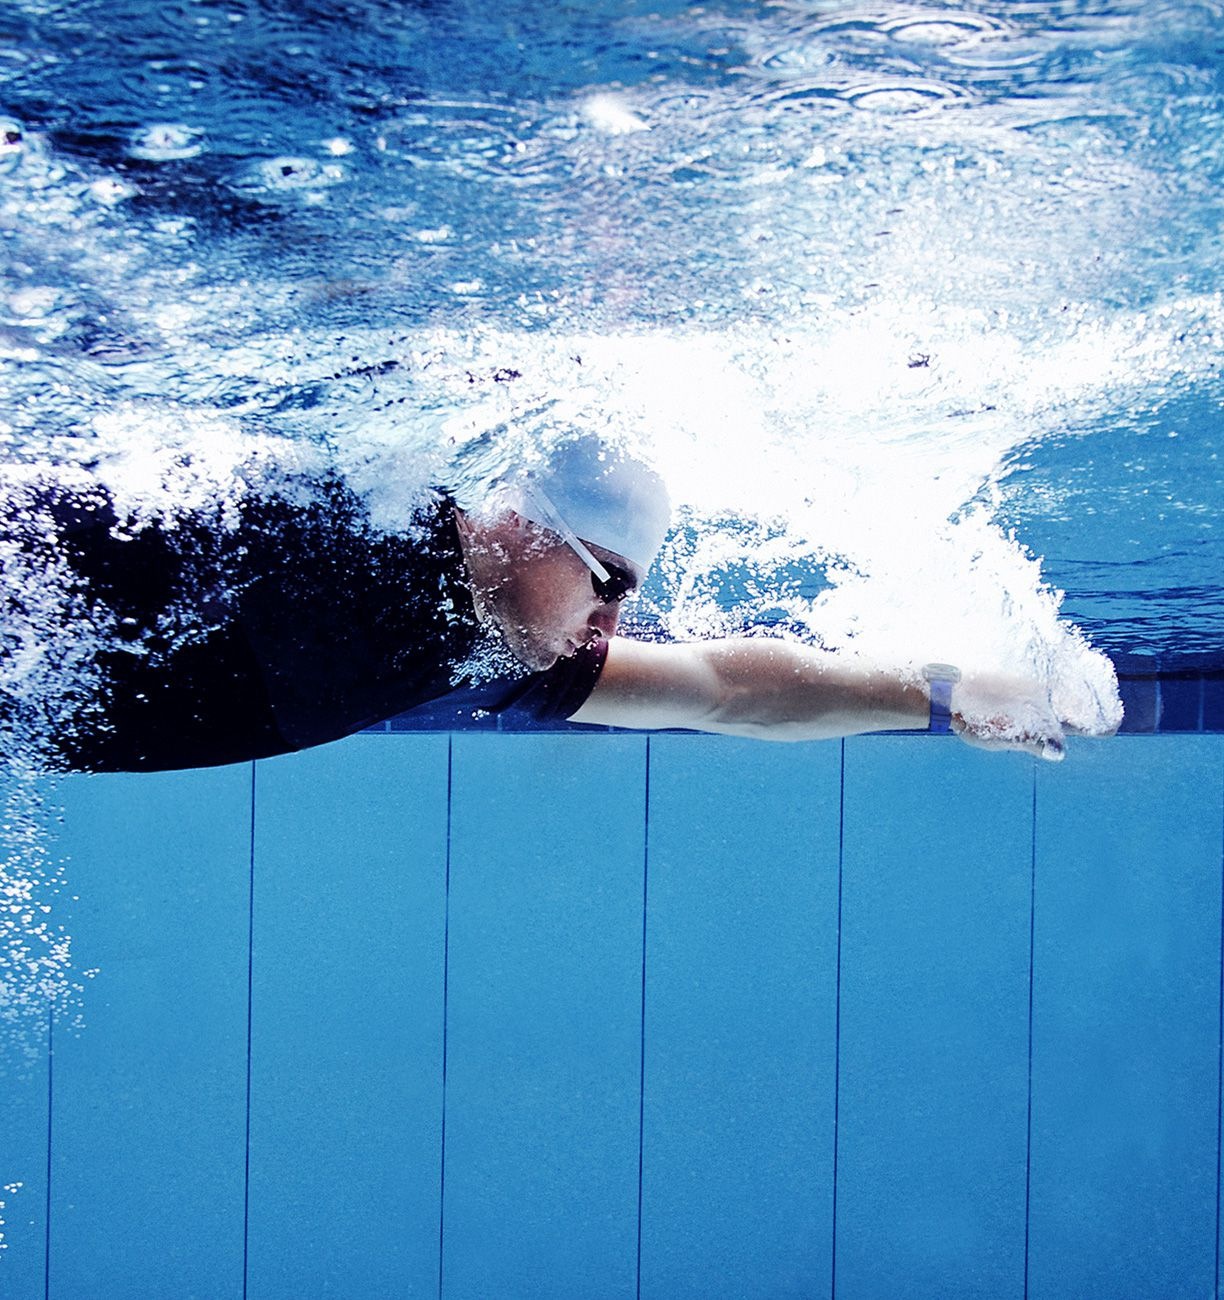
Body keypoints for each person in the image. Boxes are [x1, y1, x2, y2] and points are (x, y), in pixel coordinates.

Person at [3, 432, 1079, 773]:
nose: (611, 620)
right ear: (516, 516)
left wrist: (942, 697)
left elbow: (725, 688)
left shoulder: (505, 637)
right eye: (607, 577)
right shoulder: (352, 496)